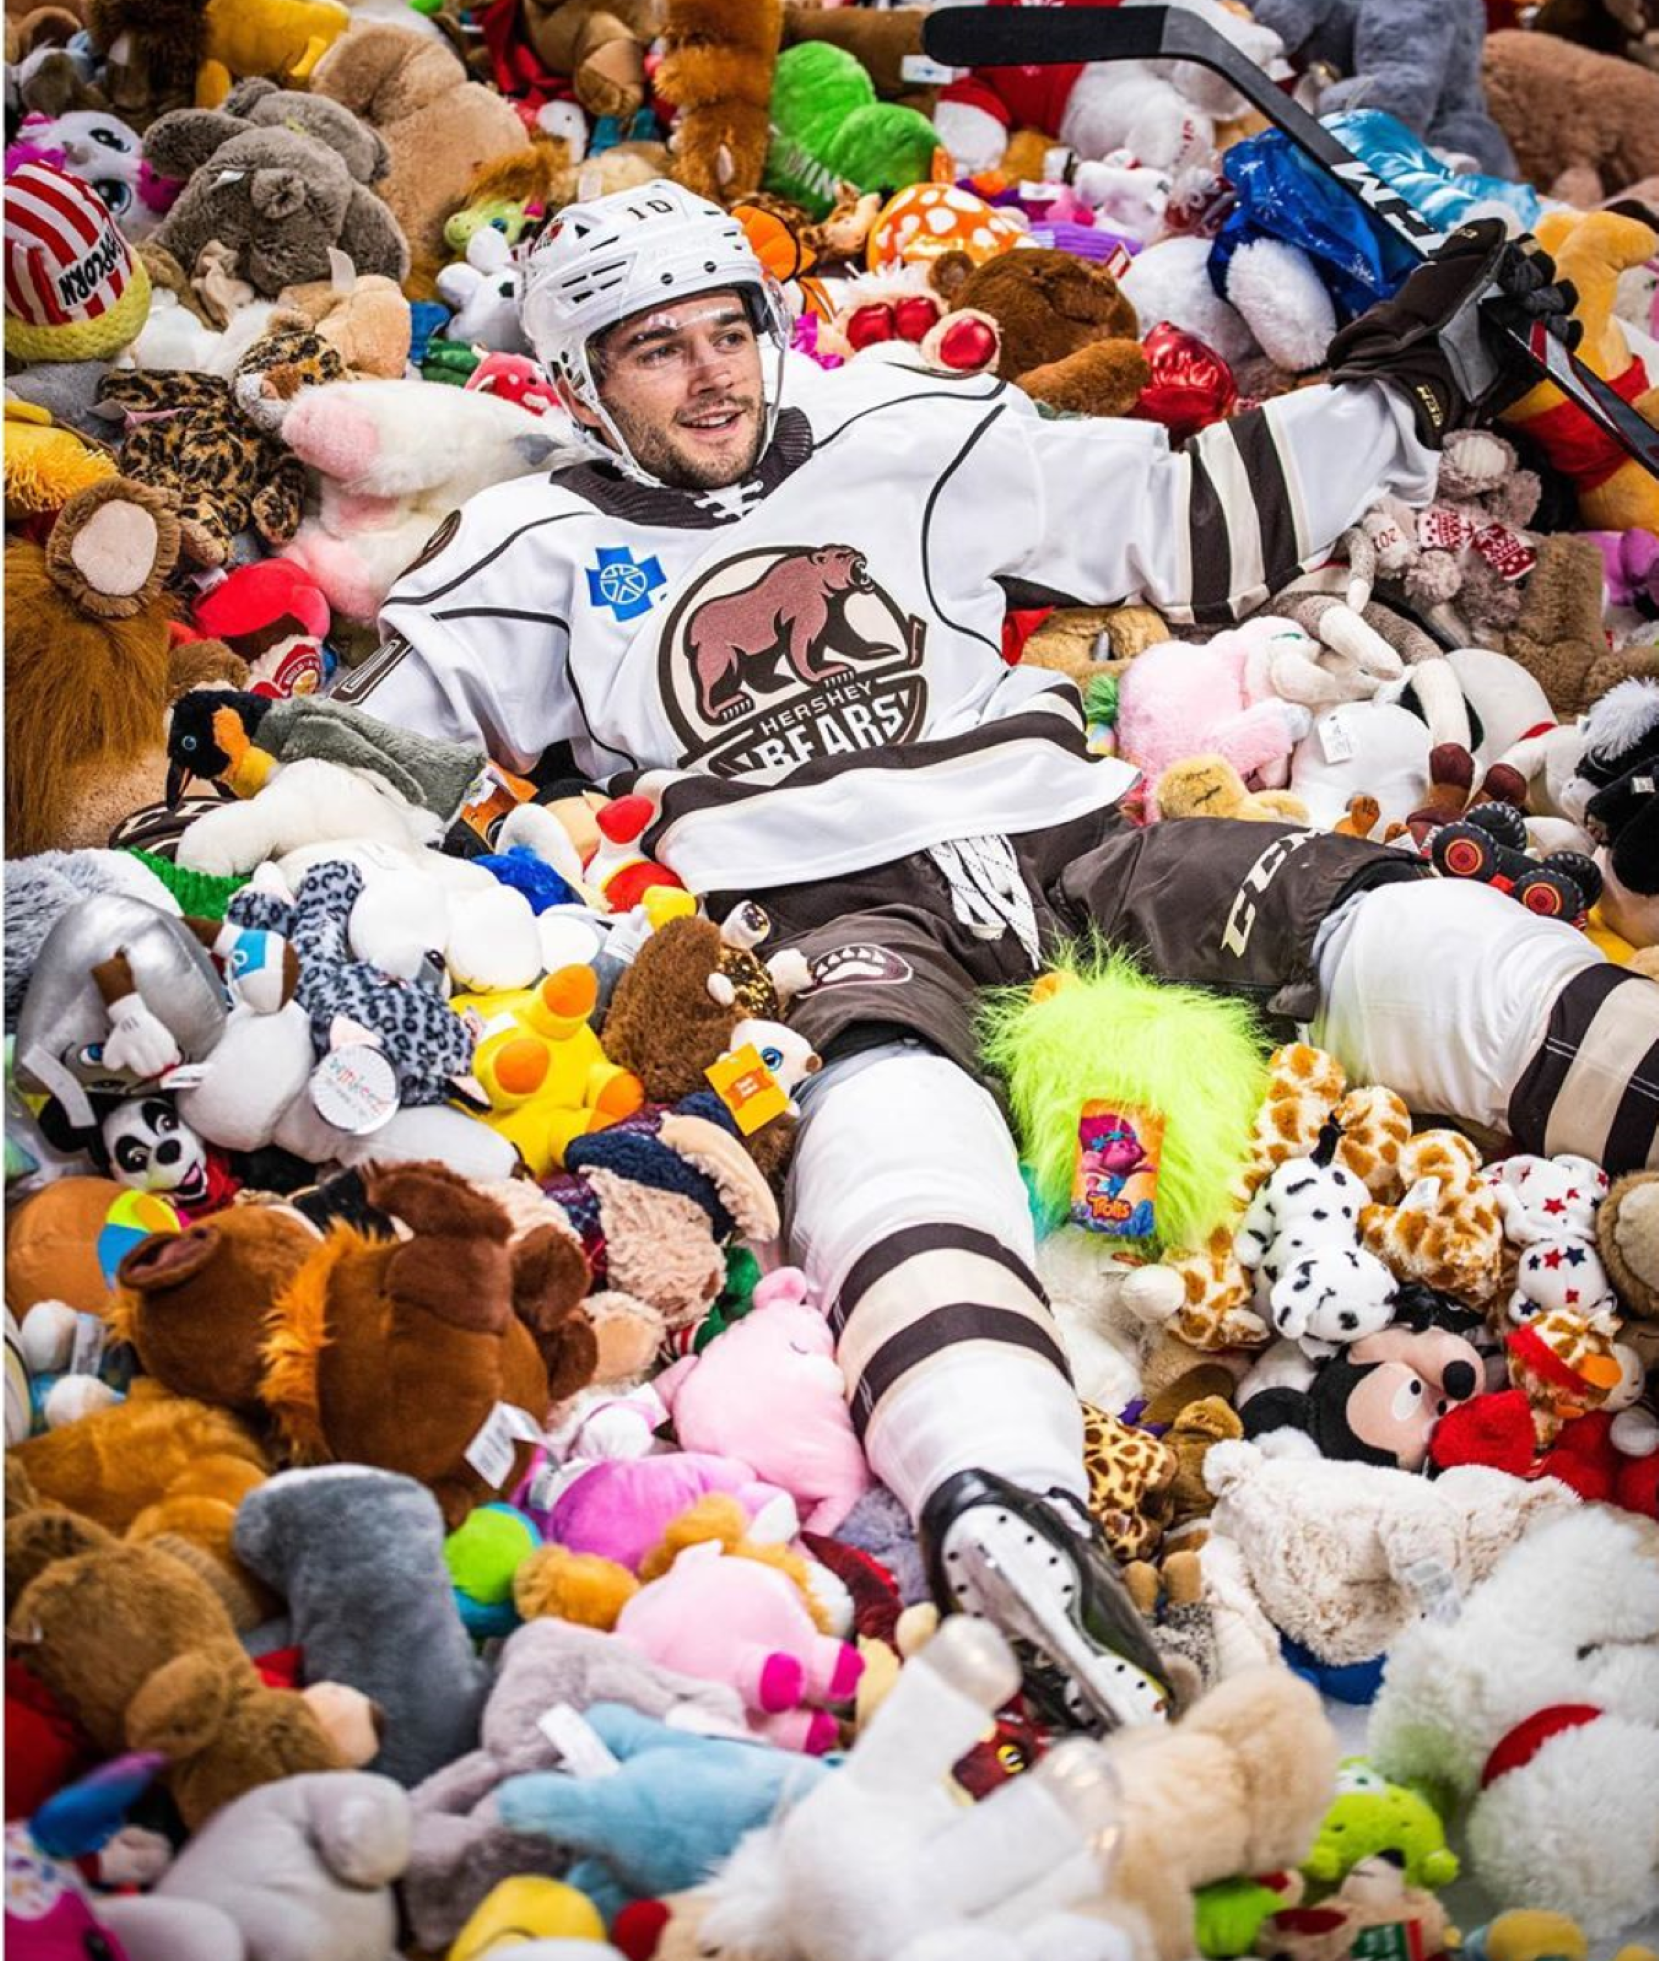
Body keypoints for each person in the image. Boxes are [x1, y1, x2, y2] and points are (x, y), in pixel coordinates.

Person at [333, 180, 1659, 1730]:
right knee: (892, 1122)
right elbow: (363, 758)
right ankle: (1008, 1503)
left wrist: (1403, 391)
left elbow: (1179, 516)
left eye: (726, 332)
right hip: (825, 916)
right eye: (652, 352)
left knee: (1376, 911)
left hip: (1079, 843)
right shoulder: (533, 540)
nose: (709, 376)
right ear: (576, 381)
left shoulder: (901, 422)